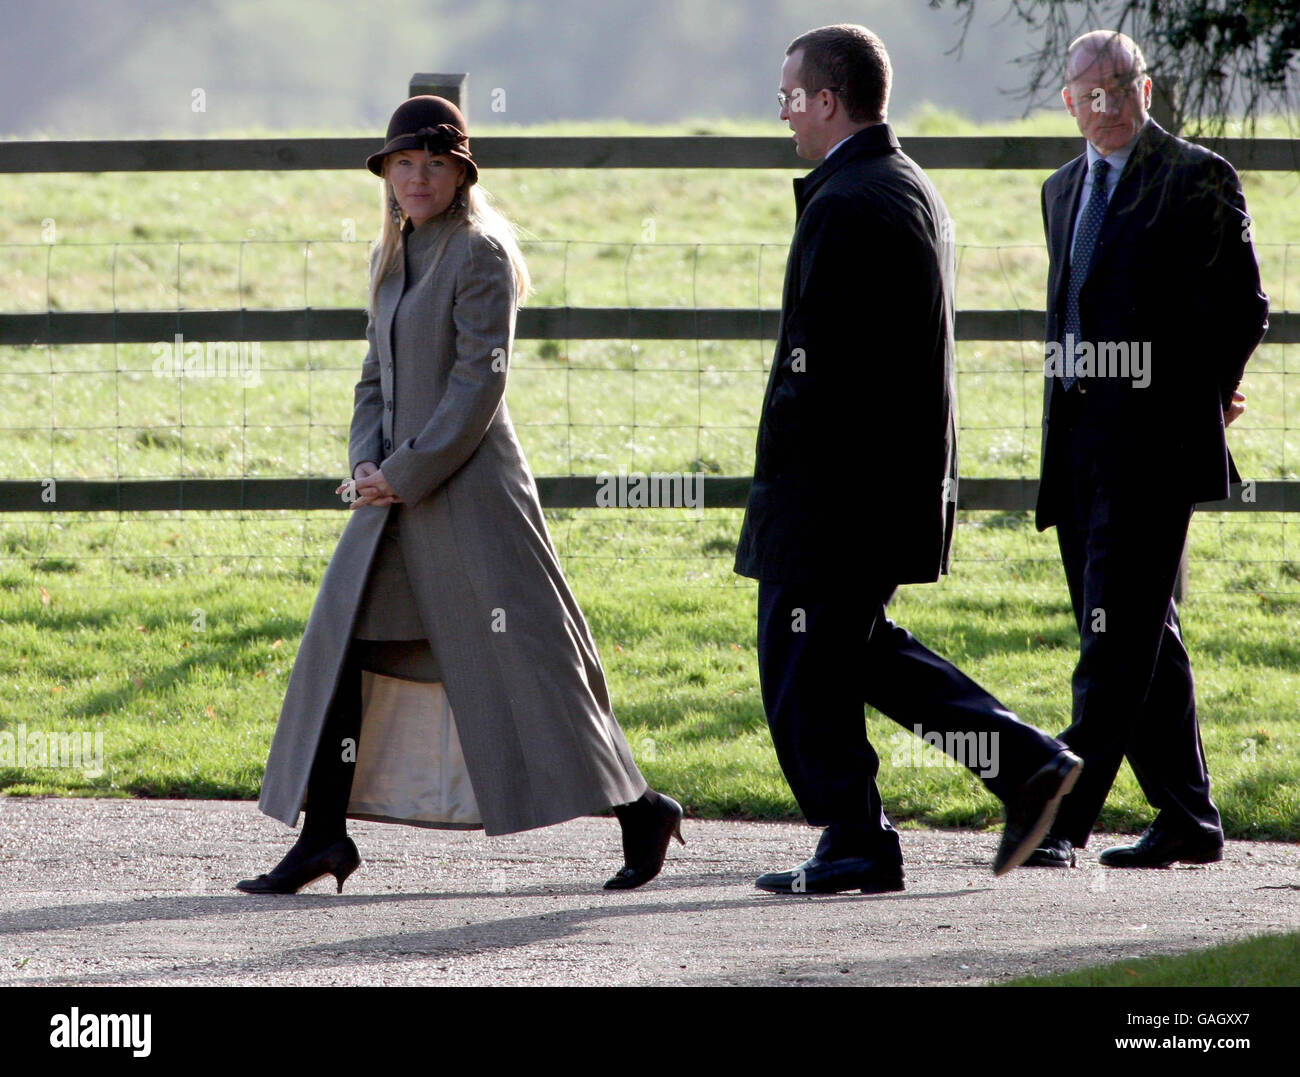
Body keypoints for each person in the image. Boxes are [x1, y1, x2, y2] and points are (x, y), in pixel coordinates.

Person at [237, 96, 683, 895]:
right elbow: (374, 375)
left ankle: (641, 808)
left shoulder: (477, 254)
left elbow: (480, 385)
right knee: (345, 648)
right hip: (395, 505)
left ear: (460, 175)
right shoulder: (396, 253)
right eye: (403, 165)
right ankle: (325, 837)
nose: (416, 178)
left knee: (534, 665)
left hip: (473, 499)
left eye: (434, 165)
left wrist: (401, 472)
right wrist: (367, 465)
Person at [733, 24, 1082, 895]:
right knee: (854, 651)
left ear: (827, 99)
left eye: (789, 98)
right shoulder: (896, 183)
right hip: (874, 487)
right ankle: (997, 776)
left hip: (836, 493)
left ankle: (865, 831)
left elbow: (827, 368)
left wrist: (784, 475)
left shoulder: (854, 199)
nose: (783, 115)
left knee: (800, 656)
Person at [1022, 31, 1268, 869]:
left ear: (1147, 86)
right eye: (1090, 93)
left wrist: (1206, 393)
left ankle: (1057, 813)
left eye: (1120, 87)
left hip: (1156, 448)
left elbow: (1244, 305)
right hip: (1080, 446)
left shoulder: (1197, 177)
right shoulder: (1059, 189)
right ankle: (1188, 817)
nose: (1108, 105)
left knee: (1114, 637)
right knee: (1143, 636)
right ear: (1069, 103)